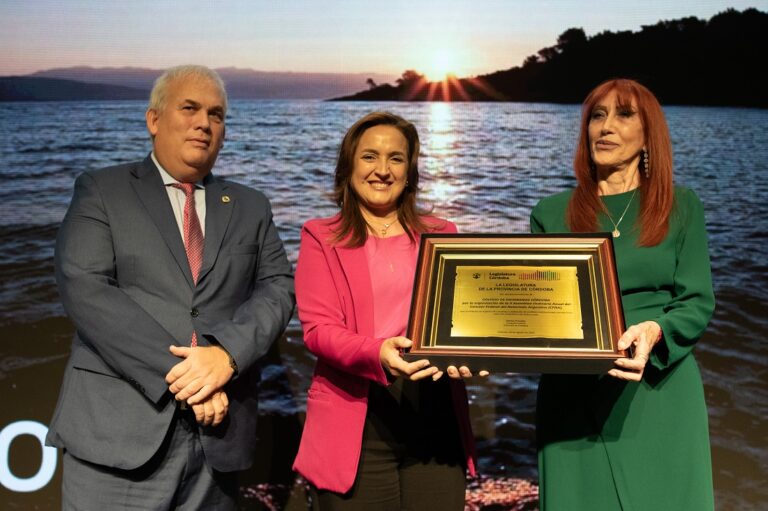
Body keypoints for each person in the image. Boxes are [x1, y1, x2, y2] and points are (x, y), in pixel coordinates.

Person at [46, 65, 295, 510]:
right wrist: (192, 378)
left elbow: (278, 288)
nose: (204, 122)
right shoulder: (101, 189)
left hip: (217, 442)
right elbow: (85, 286)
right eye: (190, 108)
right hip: (118, 439)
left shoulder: (251, 205)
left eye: (216, 114)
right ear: (154, 120)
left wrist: (226, 356)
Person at [530, 78, 716, 510]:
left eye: (623, 114)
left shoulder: (681, 206)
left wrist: (654, 331)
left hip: (658, 389)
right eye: (597, 115)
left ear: (649, 134)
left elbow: (696, 301)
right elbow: (535, 309)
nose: (605, 126)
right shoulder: (550, 213)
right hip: (572, 396)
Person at [292, 112, 479, 510]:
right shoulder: (320, 237)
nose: (382, 170)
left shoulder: (443, 234)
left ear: (410, 171)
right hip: (359, 420)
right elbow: (318, 330)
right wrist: (378, 352)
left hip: (435, 411)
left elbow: (464, 318)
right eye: (369, 157)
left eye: (395, 158)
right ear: (348, 167)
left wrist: (476, 351)